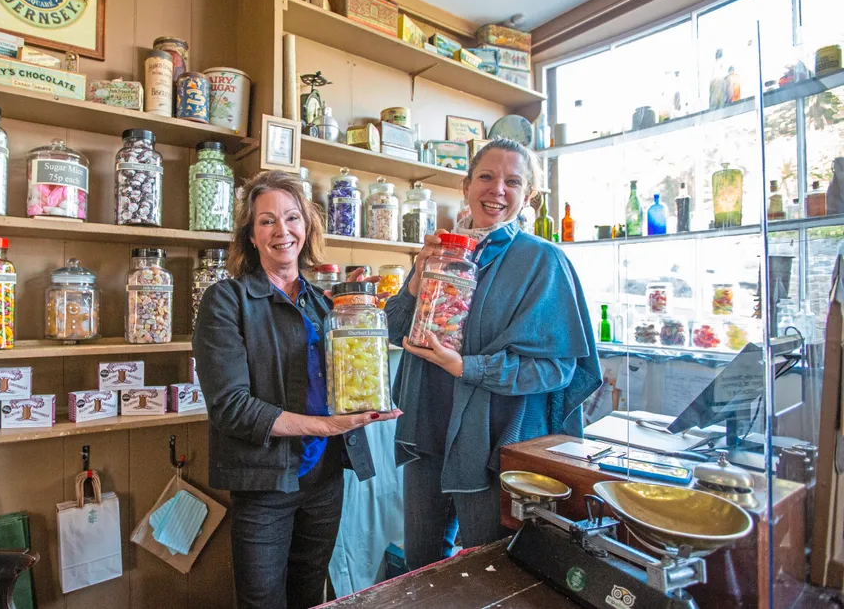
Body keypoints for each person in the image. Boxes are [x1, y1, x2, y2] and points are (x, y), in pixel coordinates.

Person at [384, 138, 601, 570]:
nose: (496, 190)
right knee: (420, 567)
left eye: (512, 181)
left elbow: (555, 369)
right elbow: (392, 329)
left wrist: (467, 367)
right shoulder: (441, 250)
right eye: (486, 177)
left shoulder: (543, 261)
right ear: (466, 186)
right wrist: (415, 281)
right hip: (428, 433)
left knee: (488, 570)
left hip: (492, 446)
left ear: (528, 197)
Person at [193, 170, 401, 609]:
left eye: (292, 218)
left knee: (310, 593)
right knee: (262, 599)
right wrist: (326, 425)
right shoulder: (226, 300)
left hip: (324, 481)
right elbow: (229, 407)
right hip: (266, 483)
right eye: (266, 221)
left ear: (307, 227)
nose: (281, 231)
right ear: (250, 235)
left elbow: (350, 372)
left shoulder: (324, 303)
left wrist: (365, 400)